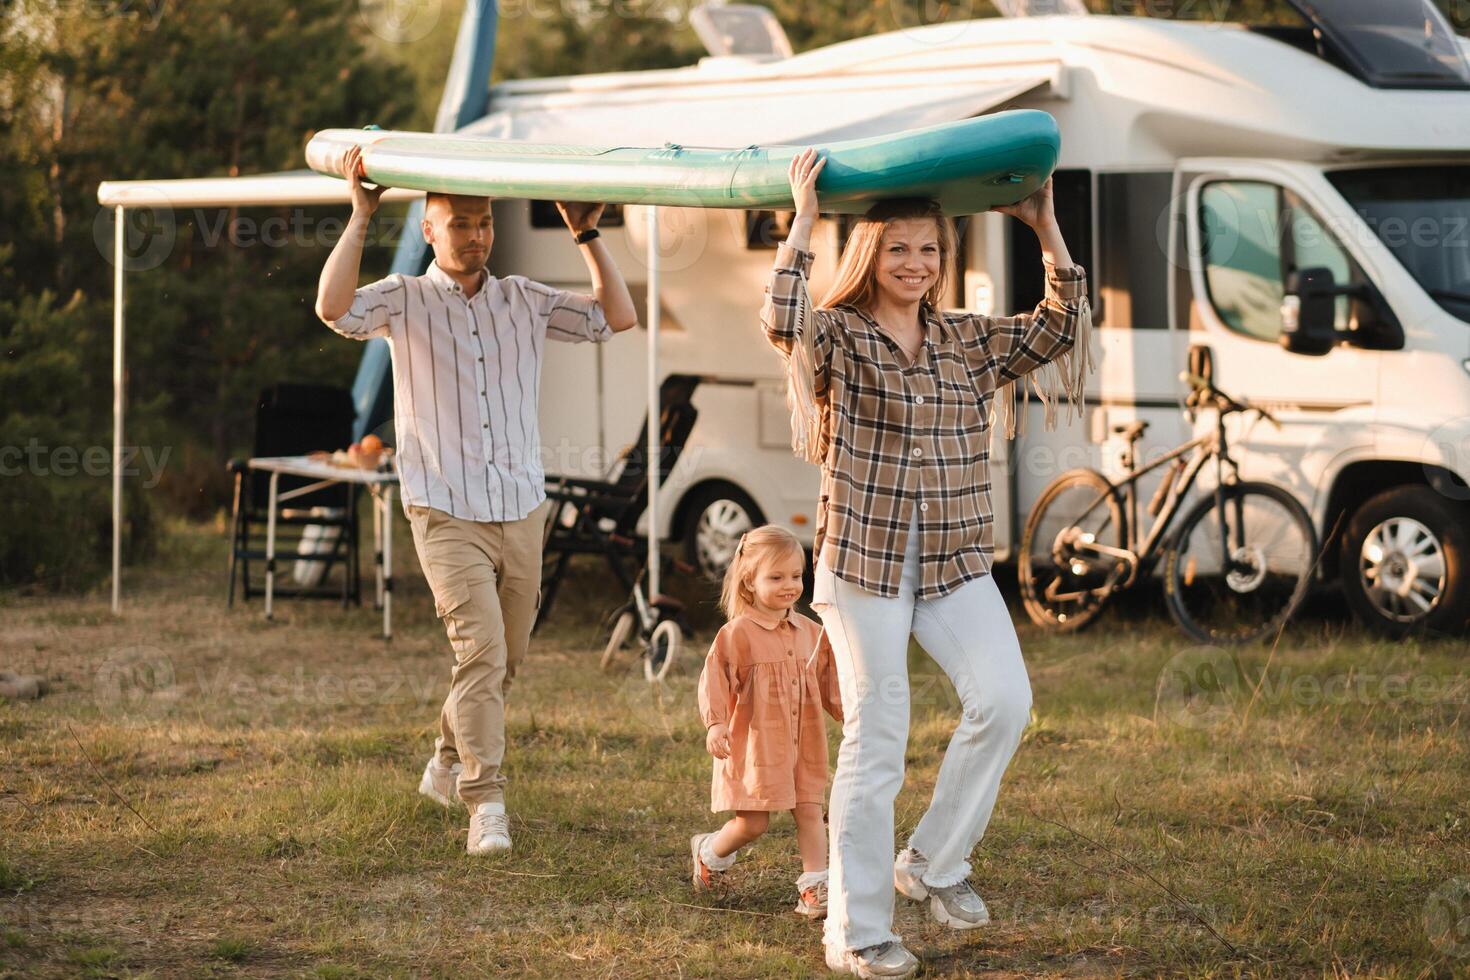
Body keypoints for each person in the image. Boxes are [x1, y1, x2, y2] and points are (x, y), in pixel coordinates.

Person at [760, 148, 1093, 978]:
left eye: (932, 250)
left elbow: (1059, 326)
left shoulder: (966, 342)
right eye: (901, 248)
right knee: (879, 740)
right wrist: (803, 221)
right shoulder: (838, 334)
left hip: (953, 560)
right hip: (865, 565)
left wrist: (1045, 227)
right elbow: (782, 320)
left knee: (1006, 703)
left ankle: (933, 863)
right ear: (871, 255)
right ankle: (856, 931)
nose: (917, 264)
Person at [315, 144, 639, 855]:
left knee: (503, 660)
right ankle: (484, 802)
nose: (476, 235)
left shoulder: (522, 298)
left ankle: (444, 758)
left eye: (484, 221)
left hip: (523, 505)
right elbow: (331, 307)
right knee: (482, 650)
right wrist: (361, 217)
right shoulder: (403, 298)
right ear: (429, 229)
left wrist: (588, 235)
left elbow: (617, 317)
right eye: (459, 223)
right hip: (444, 508)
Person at [691, 524, 844, 918]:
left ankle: (815, 887)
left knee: (810, 810)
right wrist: (716, 723)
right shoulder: (737, 634)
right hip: (759, 745)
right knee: (753, 823)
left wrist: (851, 717)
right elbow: (716, 678)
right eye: (775, 577)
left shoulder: (813, 632)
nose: (789, 585)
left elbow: (830, 682)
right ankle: (710, 852)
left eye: (796, 576)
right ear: (749, 581)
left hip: (805, 742)